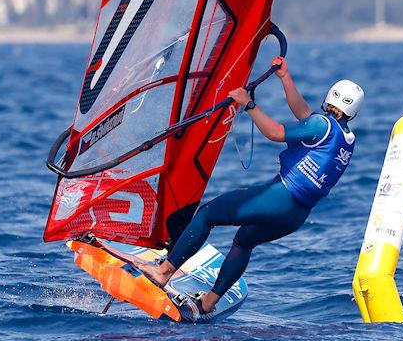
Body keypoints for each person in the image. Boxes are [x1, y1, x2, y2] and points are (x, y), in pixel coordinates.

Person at [137, 56, 364, 320]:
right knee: (244, 241)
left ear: (329, 98)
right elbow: (304, 114)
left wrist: (249, 104)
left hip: (281, 197)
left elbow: (276, 133)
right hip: (297, 215)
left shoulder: (321, 125)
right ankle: (208, 303)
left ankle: (163, 272)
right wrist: (285, 78)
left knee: (207, 214)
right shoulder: (346, 138)